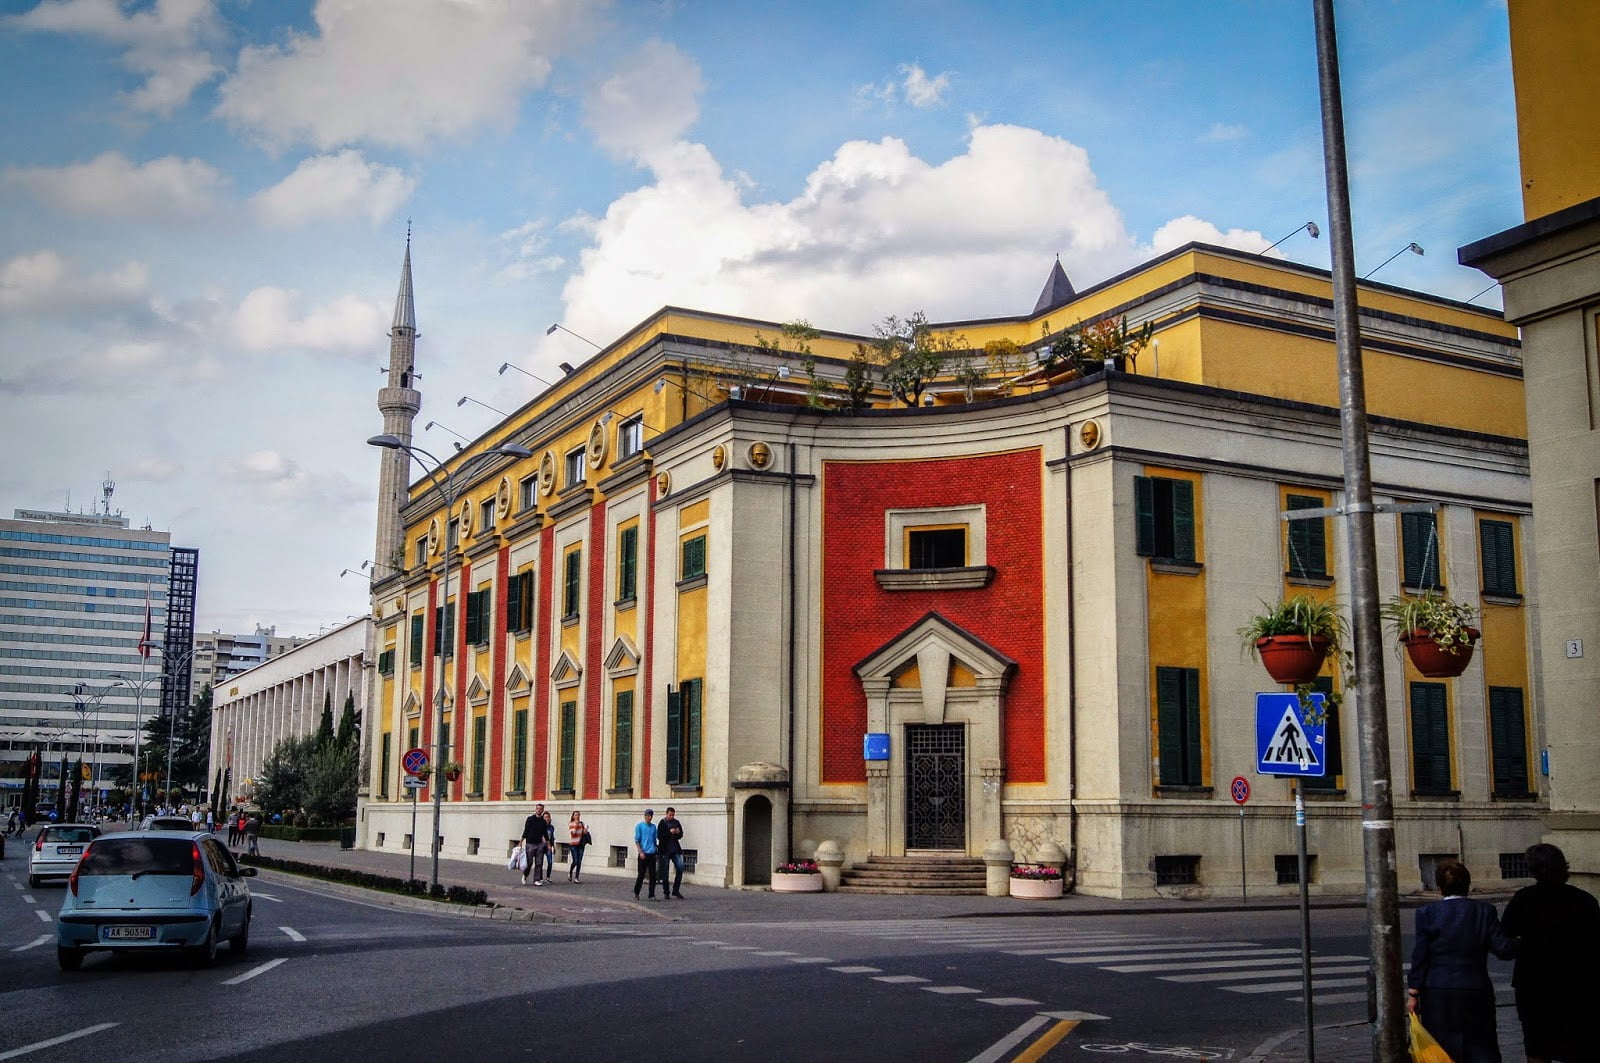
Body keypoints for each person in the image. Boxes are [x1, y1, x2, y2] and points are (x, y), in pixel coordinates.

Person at [1407, 858, 1518, 1063]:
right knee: (1481, 1047)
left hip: (1438, 991)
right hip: (1475, 988)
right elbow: (1503, 949)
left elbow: (1420, 955)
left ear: (1439, 888)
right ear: (1468, 885)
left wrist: (1413, 992)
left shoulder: (1427, 914)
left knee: (1442, 1049)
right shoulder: (1485, 911)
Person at [1501, 843, 1600, 1063]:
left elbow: (1506, 932)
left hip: (1534, 983)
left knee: (1536, 1046)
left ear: (1533, 869)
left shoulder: (1524, 899)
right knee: (1577, 1044)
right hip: (1575, 983)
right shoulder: (1584, 900)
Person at [656, 806, 685, 899]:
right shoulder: (662, 823)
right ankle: (666, 892)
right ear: (666, 814)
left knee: (680, 867)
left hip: (675, 849)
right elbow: (659, 836)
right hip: (665, 850)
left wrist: (678, 832)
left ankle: (675, 890)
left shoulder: (676, 822)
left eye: (673, 815)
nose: (671, 817)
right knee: (665, 872)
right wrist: (669, 832)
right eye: (670, 815)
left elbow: (680, 835)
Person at [633, 808, 660, 900]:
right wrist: (640, 851)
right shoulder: (640, 826)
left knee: (653, 875)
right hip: (643, 853)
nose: (649, 817)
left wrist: (655, 849)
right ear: (645, 816)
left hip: (652, 853)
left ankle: (651, 894)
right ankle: (636, 892)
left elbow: (654, 838)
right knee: (641, 874)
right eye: (648, 816)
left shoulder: (653, 827)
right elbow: (637, 840)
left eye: (650, 816)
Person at [519, 804, 548, 886]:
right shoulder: (530, 819)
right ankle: (525, 875)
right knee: (529, 862)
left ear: (542, 810)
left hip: (539, 844)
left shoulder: (543, 822)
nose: (539, 810)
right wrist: (521, 841)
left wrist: (548, 844)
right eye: (537, 809)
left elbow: (545, 834)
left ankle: (536, 879)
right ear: (535, 810)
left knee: (539, 863)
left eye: (540, 809)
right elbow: (526, 830)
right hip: (530, 843)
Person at [567, 811, 589, 883]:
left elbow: (583, 833)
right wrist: (576, 825)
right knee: (575, 861)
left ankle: (576, 877)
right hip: (573, 844)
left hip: (581, 844)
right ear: (573, 816)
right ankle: (570, 872)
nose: (577, 816)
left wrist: (585, 830)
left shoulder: (581, 823)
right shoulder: (571, 824)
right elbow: (573, 833)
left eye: (578, 815)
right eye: (576, 815)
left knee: (579, 861)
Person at [541, 811, 556, 882]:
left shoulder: (551, 827)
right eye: (545, 817)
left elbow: (552, 837)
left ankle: (548, 876)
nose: (547, 819)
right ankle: (540, 877)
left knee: (550, 862)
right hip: (541, 846)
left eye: (548, 817)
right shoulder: (541, 826)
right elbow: (541, 837)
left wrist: (554, 846)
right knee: (540, 862)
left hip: (549, 846)